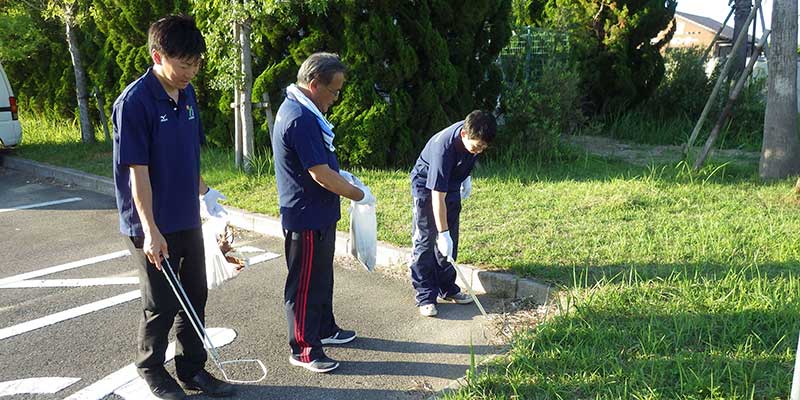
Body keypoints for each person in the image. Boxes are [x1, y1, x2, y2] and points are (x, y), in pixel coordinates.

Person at [112, 15, 234, 400]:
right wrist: (150, 230)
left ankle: (192, 368)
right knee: (161, 303)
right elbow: (137, 173)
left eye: (196, 63)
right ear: (157, 56)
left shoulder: (188, 93)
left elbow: (188, 156)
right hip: (151, 222)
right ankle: (151, 369)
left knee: (195, 294)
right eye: (184, 65)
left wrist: (207, 195)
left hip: (187, 217)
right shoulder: (134, 103)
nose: (191, 72)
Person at [272, 52, 375, 373]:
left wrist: (345, 180)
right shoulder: (299, 118)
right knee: (304, 284)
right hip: (306, 216)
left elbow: (325, 167)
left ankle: (325, 329)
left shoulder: (305, 111)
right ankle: (303, 347)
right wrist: (360, 194)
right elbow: (320, 173)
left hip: (319, 213)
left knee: (321, 277)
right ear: (314, 84)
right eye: (334, 91)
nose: (336, 98)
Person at [409, 110, 497, 317]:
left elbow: (470, 153)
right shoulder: (444, 148)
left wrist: (465, 177)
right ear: (464, 135)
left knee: (450, 242)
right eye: (477, 146)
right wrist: (443, 232)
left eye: (484, 147)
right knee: (425, 238)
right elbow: (436, 196)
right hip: (426, 186)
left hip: (452, 182)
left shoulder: (474, 132)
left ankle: (447, 287)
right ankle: (425, 295)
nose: (479, 152)